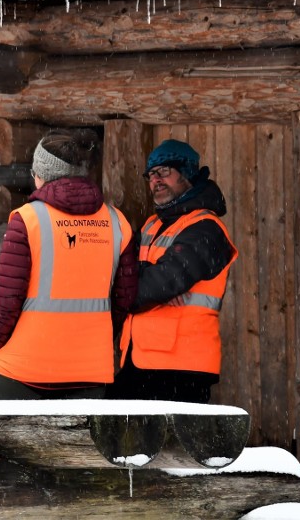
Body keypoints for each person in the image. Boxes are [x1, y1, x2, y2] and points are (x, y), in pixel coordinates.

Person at [0, 129, 138, 400]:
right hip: (90, 368)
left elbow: (7, 298)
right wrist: (95, 340)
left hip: (26, 367)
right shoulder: (117, 222)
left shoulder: (27, 219)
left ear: (40, 175)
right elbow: (124, 300)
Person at [106, 139, 238, 403]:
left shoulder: (206, 229)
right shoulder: (152, 224)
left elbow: (153, 286)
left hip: (181, 369)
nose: (156, 180)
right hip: (142, 362)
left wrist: (145, 285)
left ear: (187, 173)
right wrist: (146, 279)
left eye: (164, 171)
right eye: (151, 175)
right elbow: (121, 275)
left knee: (157, 444)